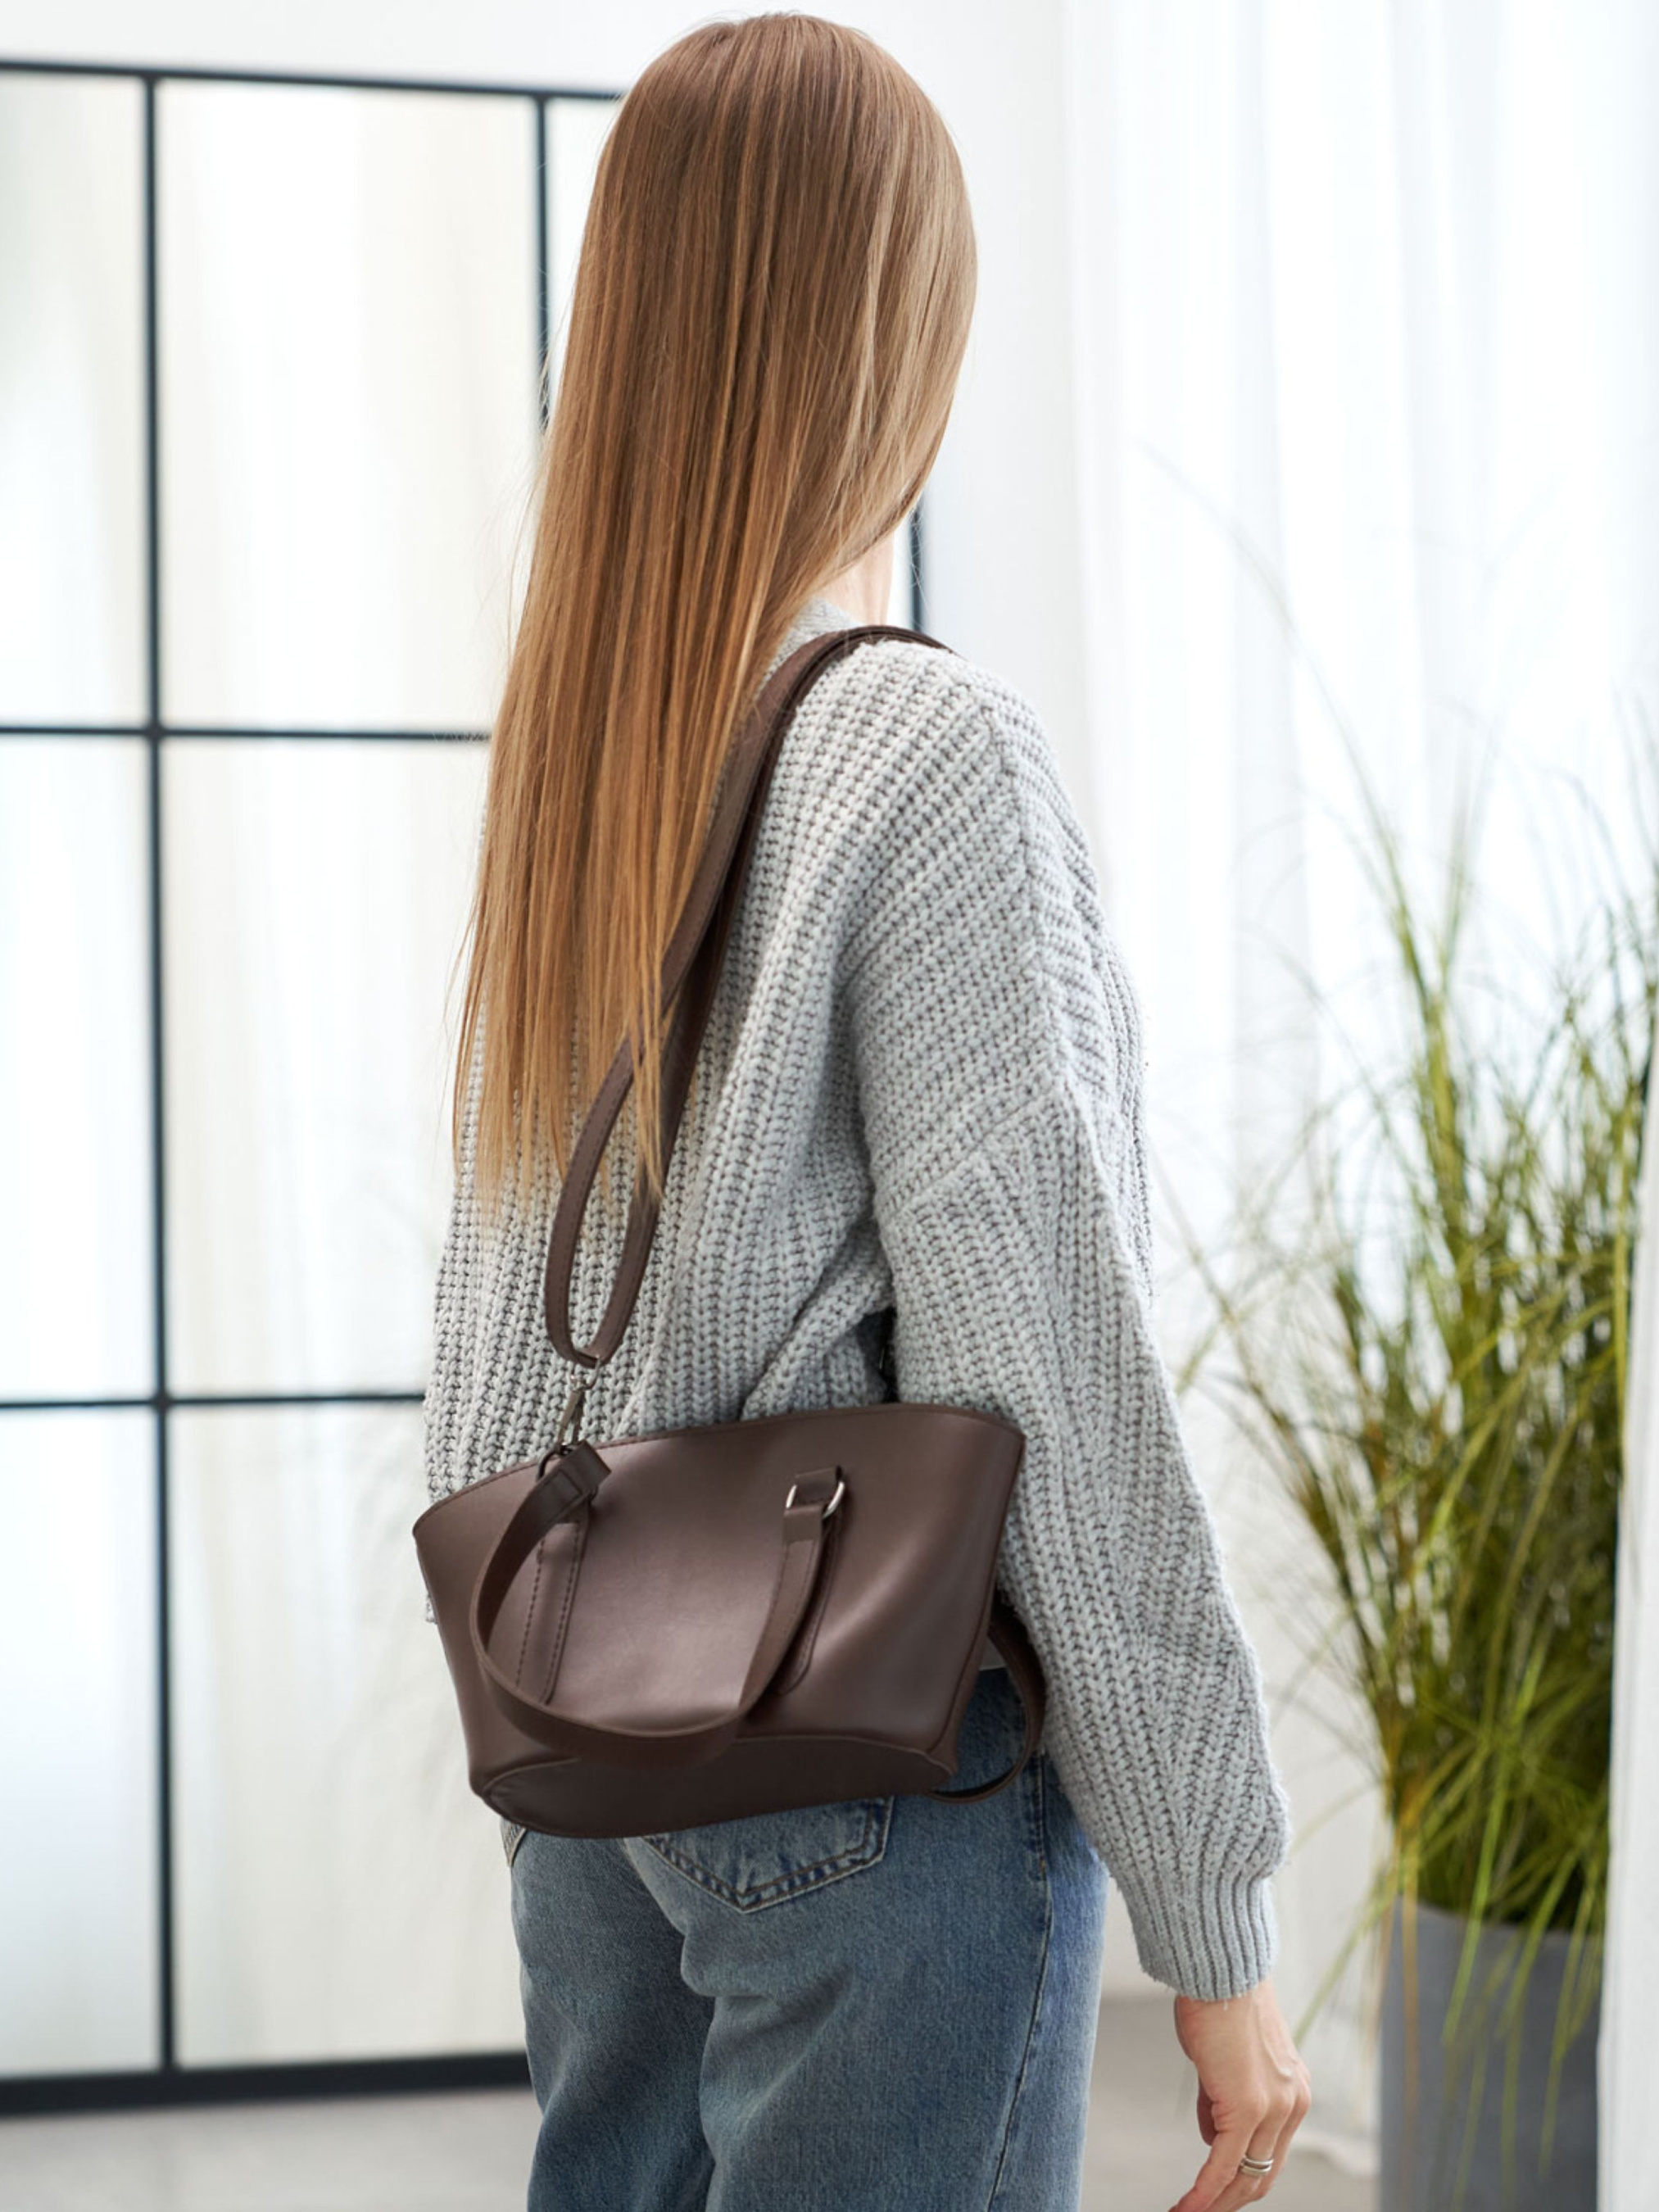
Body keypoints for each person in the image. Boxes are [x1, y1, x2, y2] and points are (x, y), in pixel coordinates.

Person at [422, 14, 1312, 2210]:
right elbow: (1053, 1375)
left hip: (599, 1770)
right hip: (873, 1772)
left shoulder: (595, 761)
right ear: (885, 338)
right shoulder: (925, 751)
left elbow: (501, 1325)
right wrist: (1215, 1922)